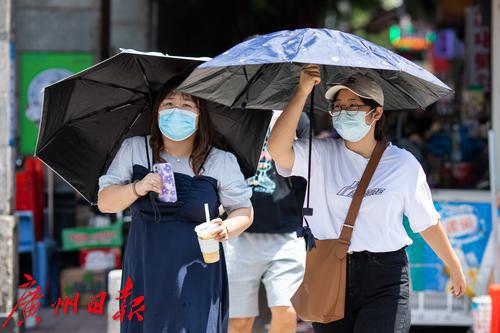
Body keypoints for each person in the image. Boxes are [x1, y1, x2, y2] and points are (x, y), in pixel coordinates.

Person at [268, 64, 467, 333]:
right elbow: (277, 149)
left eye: (353, 105)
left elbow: (426, 221)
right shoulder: (320, 154)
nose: (343, 112)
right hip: (330, 271)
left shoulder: (402, 164)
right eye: (338, 106)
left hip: (386, 275)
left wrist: (453, 265)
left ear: (377, 112)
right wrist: (302, 92)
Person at [97, 77, 253, 333]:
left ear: (200, 115)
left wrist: (226, 228)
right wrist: (137, 187)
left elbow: (244, 211)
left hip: (199, 270)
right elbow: (105, 202)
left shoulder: (220, 160)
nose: (177, 111)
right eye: (169, 104)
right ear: (156, 112)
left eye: (187, 105)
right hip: (146, 269)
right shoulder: (136, 149)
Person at [225, 112, 309, 333]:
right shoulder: (237, 113)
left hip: (286, 231)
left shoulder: (297, 116)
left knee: (287, 310)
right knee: (239, 321)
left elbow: (308, 168)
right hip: (238, 231)